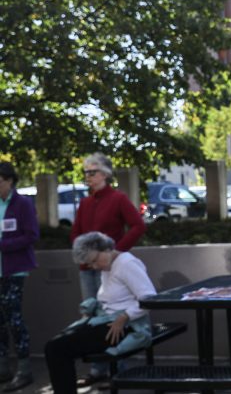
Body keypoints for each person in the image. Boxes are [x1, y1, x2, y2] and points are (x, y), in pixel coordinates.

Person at [45, 232, 155, 394]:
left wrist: (124, 317)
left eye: (95, 260)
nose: (95, 267)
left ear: (106, 248)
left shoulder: (127, 264)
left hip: (126, 326)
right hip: (108, 322)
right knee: (56, 345)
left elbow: (149, 298)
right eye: (91, 264)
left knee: (56, 348)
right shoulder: (108, 266)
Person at [69, 152, 146, 386]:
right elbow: (76, 232)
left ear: (105, 174)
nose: (88, 177)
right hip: (88, 267)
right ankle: (98, 367)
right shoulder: (85, 202)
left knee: (113, 314)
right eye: (86, 173)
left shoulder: (118, 198)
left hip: (111, 267)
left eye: (92, 172)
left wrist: (117, 252)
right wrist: (82, 255)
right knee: (92, 313)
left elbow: (138, 226)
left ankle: (118, 367)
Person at [0, 163, 38, 392]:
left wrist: (4, 245)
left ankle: (25, 370)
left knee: (14, 318)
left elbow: (31, 235)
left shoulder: (22, 203)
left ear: (9, 181)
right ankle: (3, 367)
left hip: (14, 270)